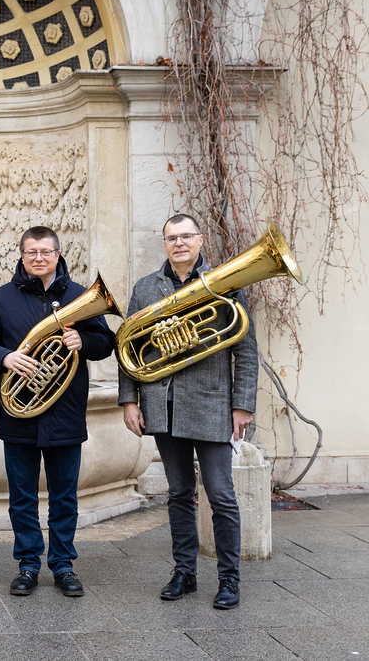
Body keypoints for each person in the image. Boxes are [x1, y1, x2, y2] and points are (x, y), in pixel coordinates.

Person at [118, 214, 258, 610]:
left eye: (186, 236)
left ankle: (229, 579)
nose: (179, 243)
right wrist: (130, 400)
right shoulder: (146, 287)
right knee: (179, 493)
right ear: (164, 243)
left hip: (212, 404)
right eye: (171, 238)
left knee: (221, 495)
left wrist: (242, 405)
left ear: (200, 240)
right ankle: (185, 572)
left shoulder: (225, 282)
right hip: (163, 405)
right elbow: (127, 347)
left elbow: (247, 351)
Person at [0, 226, 115, 598]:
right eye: (31, 252)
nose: (38, 258)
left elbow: (106, 343)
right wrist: (5, 357)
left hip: (64, 413)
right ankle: (28, 564)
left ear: (57, 254)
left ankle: (63, 564)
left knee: (64, 497)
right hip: (19, 415)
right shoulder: (2, 298)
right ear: (22, 256)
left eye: (45, 252)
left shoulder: (79, 295)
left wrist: (84, 339)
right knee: (22, 498)